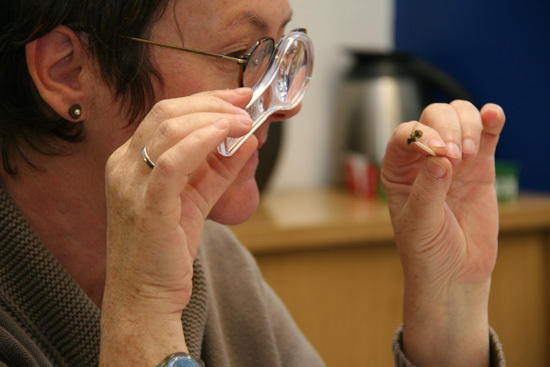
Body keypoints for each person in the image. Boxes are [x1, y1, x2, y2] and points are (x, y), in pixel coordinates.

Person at [0, 0, 506, 366]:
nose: (289, 101)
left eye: (281, 49)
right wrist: (143, 317)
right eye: (243, 53)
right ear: (67, 69)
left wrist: (449, 308)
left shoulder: (215, 262)